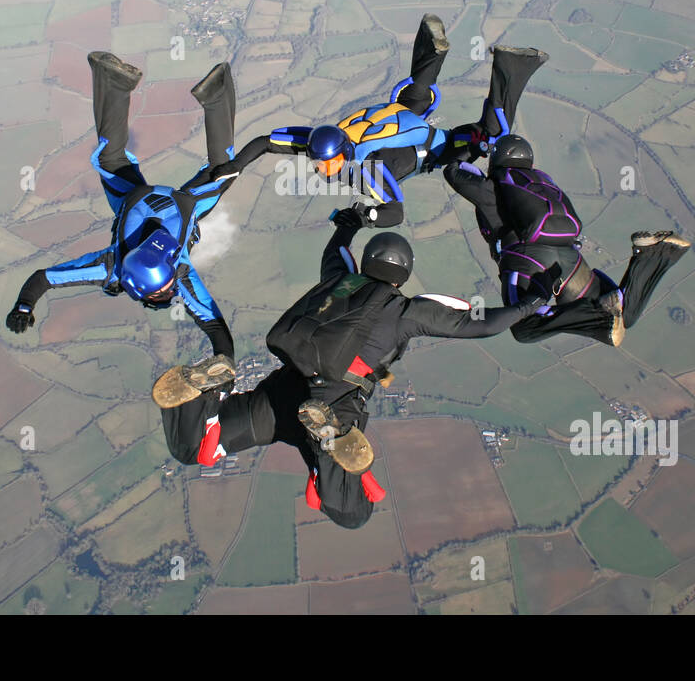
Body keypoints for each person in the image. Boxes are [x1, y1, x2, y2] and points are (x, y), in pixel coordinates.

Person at [151, 210, 545, 529]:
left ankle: (203, 392)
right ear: (404, 272)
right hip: (336, 401)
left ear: (369, 261)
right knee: (351, 513)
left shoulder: (340, 280)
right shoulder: (406, 311)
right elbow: (482, 323)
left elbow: (336, 247)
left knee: (189, 449)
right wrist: (530, 305)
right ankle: (329, 439)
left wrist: (351, 222)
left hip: (282, 391)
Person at [5, 53, 240, 390]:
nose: (171, 292)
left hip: (180, 205)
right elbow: (44, 279)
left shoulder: (179, 270)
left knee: (223, 171)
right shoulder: (111, 267)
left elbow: (216, 329)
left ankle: (215, 93)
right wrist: (24, 306)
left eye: (163, 293)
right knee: (110, 157)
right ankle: (114, 81)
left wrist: (225, 368)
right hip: (135, 199)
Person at [207, 14, 547, 226]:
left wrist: (361, 216)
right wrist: (235, 165)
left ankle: (513, 66)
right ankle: (431, 56)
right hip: (403, 120)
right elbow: (267, 142)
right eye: (319, 163)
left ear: (341, 153)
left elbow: (395, 211)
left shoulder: (367, 169)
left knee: (489, 139)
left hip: (439, 145)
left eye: (328, 164)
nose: (321, 169)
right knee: (412, 99)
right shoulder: (321, 140)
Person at [444, 134, 690, 347]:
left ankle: (598, 313)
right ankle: (655, 255)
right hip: (570, 258)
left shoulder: (495, 187)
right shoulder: (543, 183)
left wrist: (473, 147)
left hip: (527, 259)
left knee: (523, 327)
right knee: (624, 316)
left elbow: (453, 172)